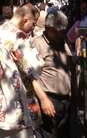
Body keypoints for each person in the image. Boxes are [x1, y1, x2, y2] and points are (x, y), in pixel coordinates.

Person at [0, 3, 55, 138]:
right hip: (12, 114)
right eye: (33, 24)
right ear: (25, 20)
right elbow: (37, 67)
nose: (33, 28)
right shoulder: (19, 37)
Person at [32, 9, 77, 138]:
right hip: (49, 100)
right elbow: (30, 77)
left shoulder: (62, 42)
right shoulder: (37, 44)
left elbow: (69, 67)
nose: (62, 34)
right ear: (49, 28)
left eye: (63, 31)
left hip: (66, 101)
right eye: (59, 32)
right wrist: (43, 99)